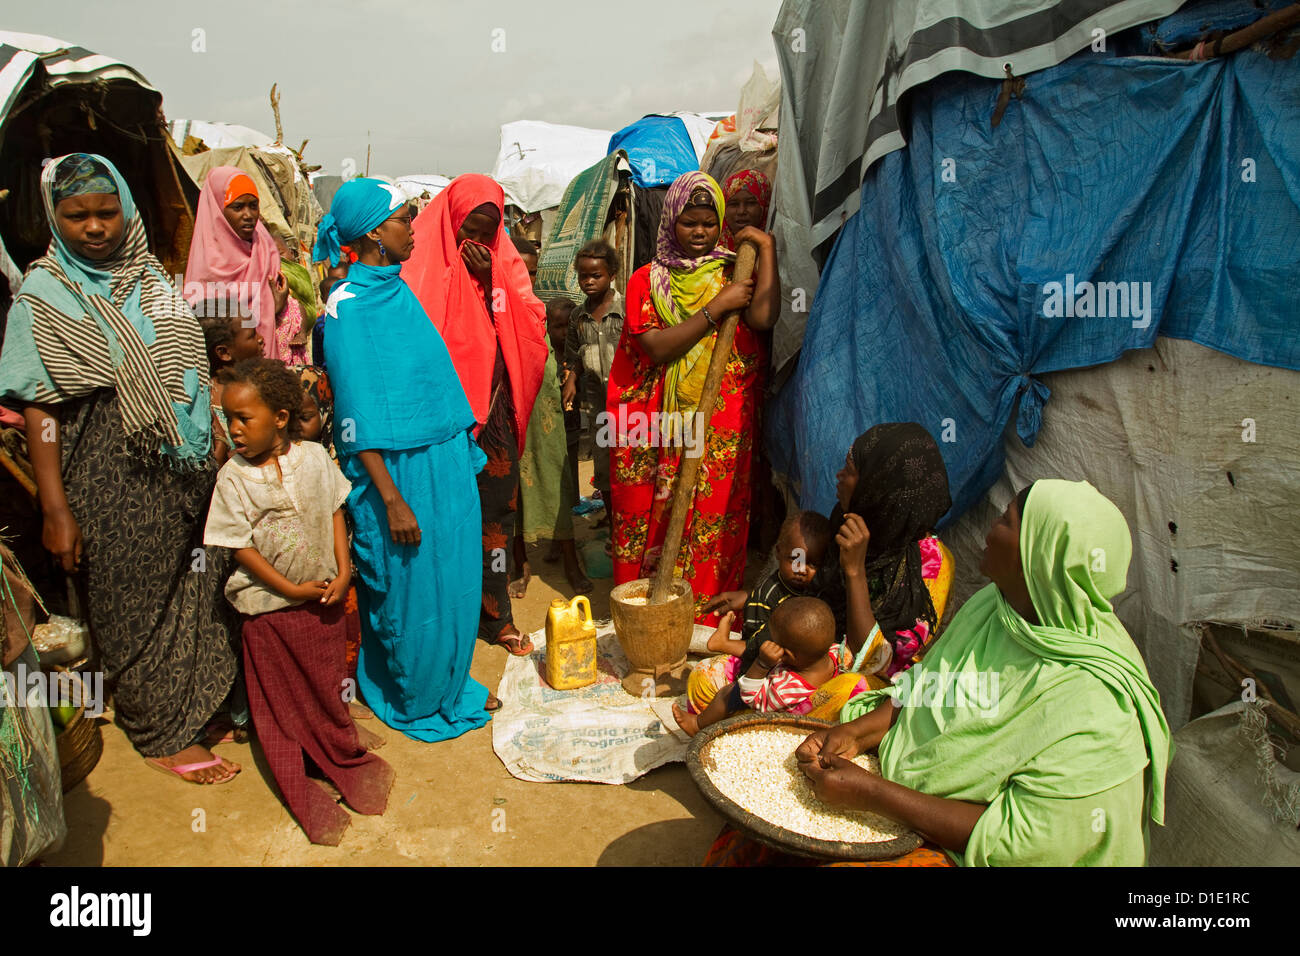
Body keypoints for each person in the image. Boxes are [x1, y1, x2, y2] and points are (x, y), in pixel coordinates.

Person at [0, 153, 240, 784]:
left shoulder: (155, 283)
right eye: (77, 215)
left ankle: (190, 702)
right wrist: (55, 508)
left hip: (185, 468)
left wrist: (211, 435)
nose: (96, 226)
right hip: (106, 474)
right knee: (128, 601)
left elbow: (192, 372)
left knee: (196, 586)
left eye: (108, 212)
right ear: (54, 218)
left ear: (127, 212)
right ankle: (159, 730)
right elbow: (39, 408)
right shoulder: (42, 294)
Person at [789, 479, 1172, 867]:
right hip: (900, 797)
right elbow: (927, 690)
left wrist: (872, 794)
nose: (991, 527)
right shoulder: (996, 608)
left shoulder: (1099, 707)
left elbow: (1017, 843)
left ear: (1037, 555)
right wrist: (854, 734)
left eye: (1007, 522)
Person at [314, 176, 498, 741]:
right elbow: (356, 415)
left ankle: (447, 682)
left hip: (441, 460)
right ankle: (414, 692)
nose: (412, 229)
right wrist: (391, 500)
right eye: (402, 219)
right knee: (410, 587)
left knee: (456, 577)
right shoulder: (347, 308)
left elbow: (431, 382)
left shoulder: (400, 290)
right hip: (393, 472)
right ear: (372, 232)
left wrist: (461, 449)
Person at [204, 358, 393, 845]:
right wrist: (285, 590)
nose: (235, 429)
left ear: (281, 418)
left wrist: (346, 567)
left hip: (324, 601)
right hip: (268, 615)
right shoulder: (232, 478)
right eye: (229, 419)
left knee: (325, 685)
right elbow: (239, 544)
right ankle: (299, 763)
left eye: (245, 418)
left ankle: (332, 744)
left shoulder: (312, 458)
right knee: (280, 703)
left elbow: (334, 509)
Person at [606, 170, 779, 623]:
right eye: (689, 223)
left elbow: (762, 319)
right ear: (670, 222)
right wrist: (714, 309)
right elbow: (655, 346)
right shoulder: (648, 279)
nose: (700, 232)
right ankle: (651, 608)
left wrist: (767, 251)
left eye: (708, 222)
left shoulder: (735, 269)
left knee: (712, 514)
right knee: (660, 509)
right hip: (661, 421)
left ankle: (704, 616)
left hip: (722, 417)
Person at [403, 174, 548, 655]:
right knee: (441, 519)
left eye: (488, 230)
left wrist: (491, 283)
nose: (477, 241)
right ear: (451, 221)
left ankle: (497, 616)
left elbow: (530, 325)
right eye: (470, 227)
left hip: (494, 416)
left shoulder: (504, 269)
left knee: (496, 521)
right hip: (443, 423)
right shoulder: (419, 268)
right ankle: (447, 620)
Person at [822, 423, 954, 683]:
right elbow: (816, 593)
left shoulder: (933, 564)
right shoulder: (850, 520)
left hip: (874, 683)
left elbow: (876, 662)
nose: (839, 476)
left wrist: (854, 571)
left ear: (877, 486)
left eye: (849, 471)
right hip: (818, 653)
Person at [687, 511, 835, 720]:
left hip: (802, 668)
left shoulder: (819, 589)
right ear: (778, 552)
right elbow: (756, 647)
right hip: (761, 664)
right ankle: (724, 645)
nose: (802, 570)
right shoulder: (766, 595)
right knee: (720, 688)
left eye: (813, 564)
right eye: (795, 559)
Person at [673, 597, 861, 736]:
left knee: (729, 692)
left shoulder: (786, 688)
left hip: (767, 716)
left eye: (775, 640)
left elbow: (752, 696)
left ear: (789, 655)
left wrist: (761, 664)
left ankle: (698, 724)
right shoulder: (837, 653)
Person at [183, 166, 285, 359]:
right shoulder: (206, 264)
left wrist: (276, 307)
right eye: (238, 207)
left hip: (267, 365)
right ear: (218, 211)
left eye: (253, 205)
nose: (248, 215)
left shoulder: (265, 250)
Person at [561, 240, 624, 520]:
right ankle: (613, 524)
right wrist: (572, 379)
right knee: (603, 464)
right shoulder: (578, 316)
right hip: (598, 407)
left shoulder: (626, 309)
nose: (588, 281)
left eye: (595, 275)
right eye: (582, 276)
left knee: (630, 460)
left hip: (628, 404)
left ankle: (632, 524)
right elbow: (574, 356)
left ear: (611, 274)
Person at [198, 296, 265, 465]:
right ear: (224, 353)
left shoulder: (264, 384)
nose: (261, 339)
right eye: (251, 335)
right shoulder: (204, 402)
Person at [720, 169, 772, 252]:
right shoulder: (708, 249)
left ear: (764, 205)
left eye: (751, 203)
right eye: (734, 204)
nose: (741, 211)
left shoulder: (775, 250)